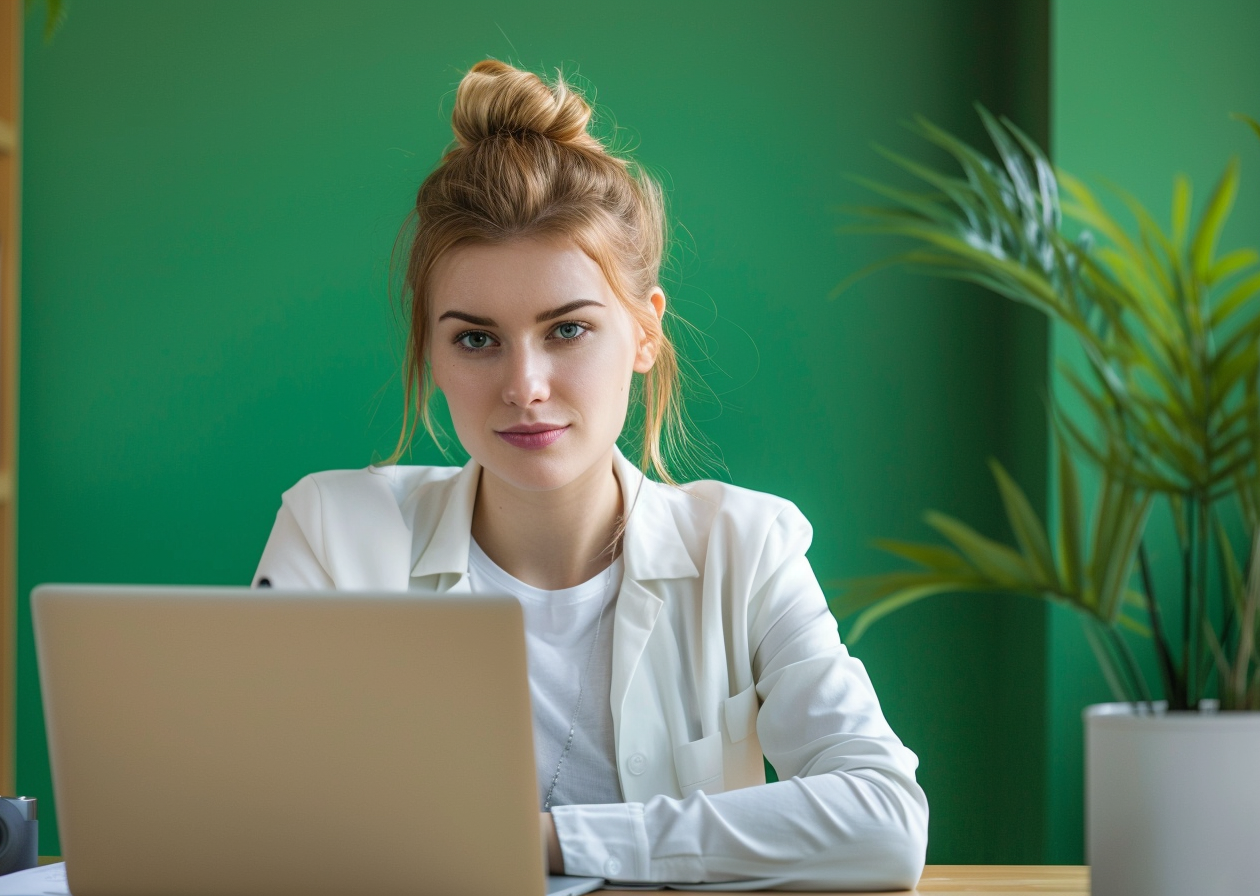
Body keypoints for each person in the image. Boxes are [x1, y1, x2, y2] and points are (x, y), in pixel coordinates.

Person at [252, 58, 928, 890]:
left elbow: (885, 821)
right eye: (475, 338)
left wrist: (545, 840)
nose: (524, 386)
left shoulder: (744, 548)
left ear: (644, 334)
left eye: (567, 330)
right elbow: (261, 819)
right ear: (429, 349)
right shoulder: (335, 532)